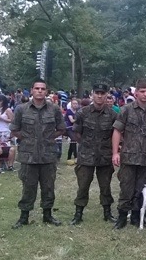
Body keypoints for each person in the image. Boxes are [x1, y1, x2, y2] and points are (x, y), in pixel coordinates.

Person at [111, 78, 146, 229]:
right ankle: (122, 217)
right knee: (126, 188)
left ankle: (136, 217)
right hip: (129, 157)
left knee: (142, 190)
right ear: (136, 93)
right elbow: (117, 131)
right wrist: (115, 153)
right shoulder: (126, 110)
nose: (144, 95)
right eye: (141, 92)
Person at [10, 79, 66, 229]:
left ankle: (47, 215)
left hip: (48, 155)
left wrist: (49, 138)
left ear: (46, 91)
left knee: (48, 186)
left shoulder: (54, 109)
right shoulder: (21, 109)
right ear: (32, 90)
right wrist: (27, 139)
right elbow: (14, 129)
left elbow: (61, 128)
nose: (40, 91)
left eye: (43, 88)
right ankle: (24, 217)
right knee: (28, 187)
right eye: (37, 88)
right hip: (29, 156)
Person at [69, 84, 118, 226]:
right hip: (86, 156)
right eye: (97, 93)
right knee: (83, 185)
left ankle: (107, 213)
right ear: (92, 94)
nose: (100, 95)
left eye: (103, 93)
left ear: (106, 94)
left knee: (105, 185)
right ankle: (78, 213)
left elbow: (115, 134)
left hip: (105, 155)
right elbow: (76, 132)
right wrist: (85, 144)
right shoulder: (82, 113)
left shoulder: (112, 114)